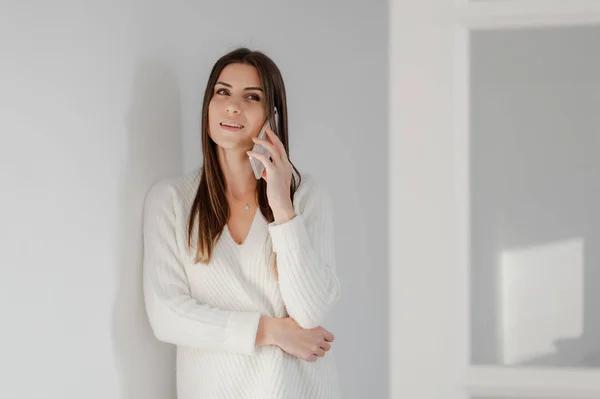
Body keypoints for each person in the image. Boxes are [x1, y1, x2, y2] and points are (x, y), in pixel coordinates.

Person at [142, 47, 343, 398]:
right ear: (208, 104)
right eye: (223, 92)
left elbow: (309, 311)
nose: (233, 106)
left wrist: (282, 207)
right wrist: (270, 331)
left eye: (252, 97)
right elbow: (167, 315)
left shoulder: (306, 196)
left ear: (272, 114)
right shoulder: (172, 201)